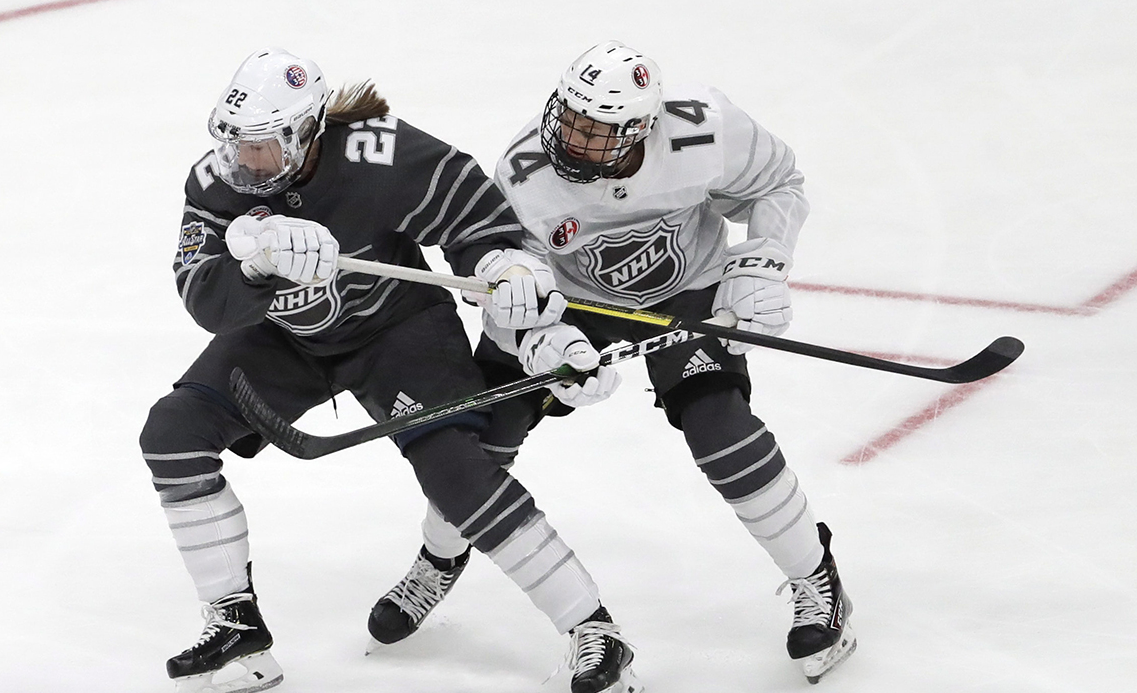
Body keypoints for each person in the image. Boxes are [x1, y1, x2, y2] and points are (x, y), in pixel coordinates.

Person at [138, 47, 641, 693]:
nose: (244, 160)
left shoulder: (377, 155)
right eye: (235, 142)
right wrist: (255, 270)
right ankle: (237, 631)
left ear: (305, 132)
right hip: (285, 339)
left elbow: (473, 212)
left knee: (457, 473)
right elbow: (204, 299)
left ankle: (594, 629)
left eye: (262, 145)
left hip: (397, 334)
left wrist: (502, 265)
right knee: (172, 434)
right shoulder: (215, 182)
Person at [371, 41, 856, 684]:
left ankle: (816, 578)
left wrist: (763, 262)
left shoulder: (705, 131)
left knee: (719, 426)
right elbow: (512, 286)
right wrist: (543, 341)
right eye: (568, 118)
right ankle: (440, 557)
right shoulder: (523, 174)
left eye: (595, 131)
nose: (571, 139)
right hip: (566, 303)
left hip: (688, 292)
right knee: (479, 441)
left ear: (640, 130)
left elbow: (778, 184)